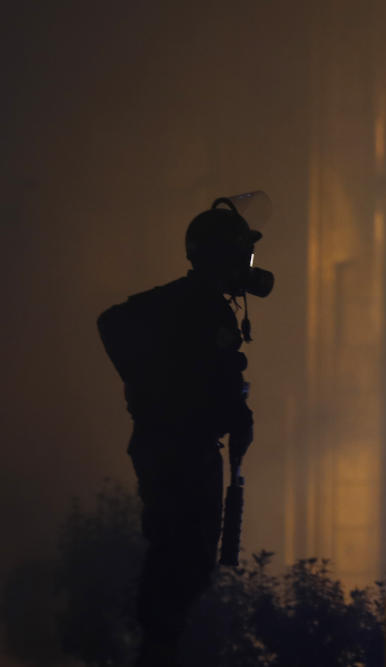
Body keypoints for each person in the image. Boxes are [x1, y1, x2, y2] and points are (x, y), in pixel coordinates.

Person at [97, 198, 273, 666]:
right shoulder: (187, 303)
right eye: (241, 255)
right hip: (177, 451)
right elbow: (112, 324)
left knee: (189, 565)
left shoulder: (205, 306)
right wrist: (161, 397)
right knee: (178, 562)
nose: (248, 267)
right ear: (221, 255)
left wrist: (231, 413)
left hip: (190, 448)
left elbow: (214, 377)